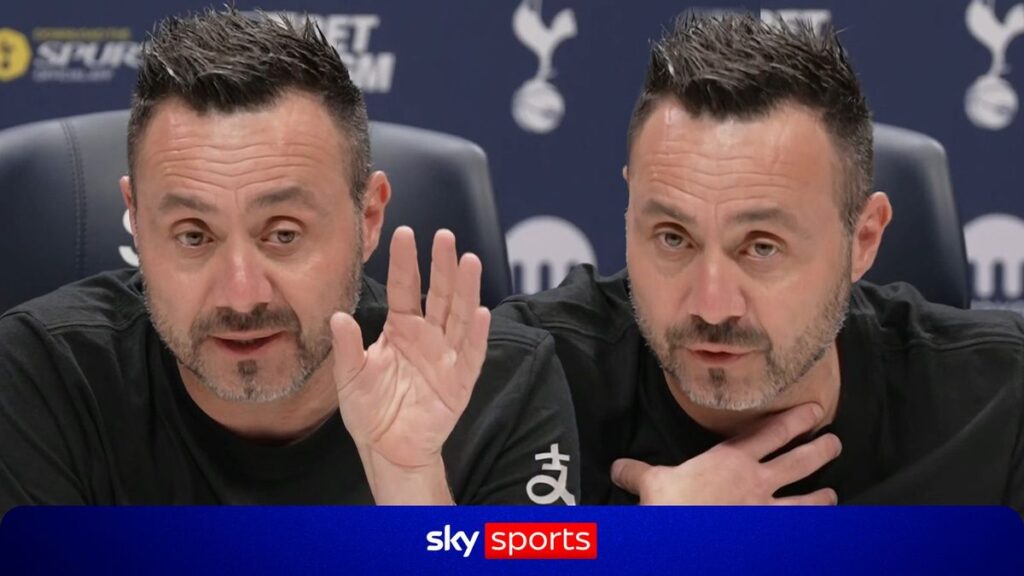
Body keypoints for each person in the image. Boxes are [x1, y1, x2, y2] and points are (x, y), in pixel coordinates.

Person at [0, 8, 579, 514]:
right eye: (193, 236)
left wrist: (411, 487)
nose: (242, 294)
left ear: (368, 219)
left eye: (282, 234)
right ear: (134, 220)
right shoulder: (43, 377)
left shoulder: (501, 387)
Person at [497, 13, 1024, 508]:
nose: (712, 306)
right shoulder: (519, 377)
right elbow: (445, 549)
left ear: (863, 239)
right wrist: (637, 548)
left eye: (762, 247)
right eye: (673, 238)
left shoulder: (1002, 403)